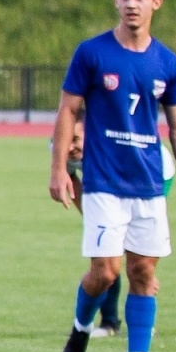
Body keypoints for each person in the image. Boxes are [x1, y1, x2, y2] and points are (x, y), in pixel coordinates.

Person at [49, 0, 176, 352]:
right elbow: (67, 110)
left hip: (149, 183)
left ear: (156, 2)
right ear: (115, 0)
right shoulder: (92, 53)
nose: (131, 4)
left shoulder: (167, 62)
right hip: (102, 181)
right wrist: (59, 168)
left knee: (144, 273)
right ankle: (79, 332)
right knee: (106, 271)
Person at [57, 119, 123, 337]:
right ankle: (109, 323)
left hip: (149, 177)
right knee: (107, 254)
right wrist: (94, 218)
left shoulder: (110, 149)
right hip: (104, 187)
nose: (69, 147)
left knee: (138, 261)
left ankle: (141, 323)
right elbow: (71, 178)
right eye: (66, 139)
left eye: (75, 139)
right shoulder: (58, 148)